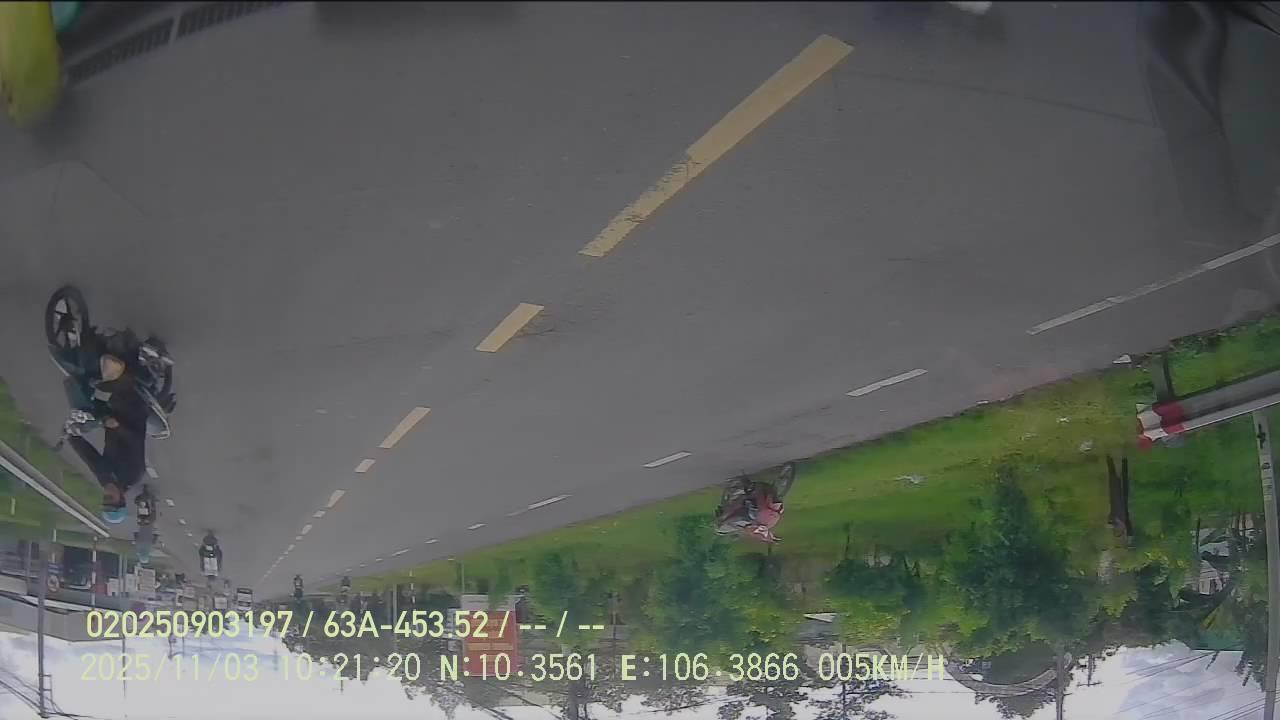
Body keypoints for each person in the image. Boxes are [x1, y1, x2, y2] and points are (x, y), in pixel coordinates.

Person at [65, 353, 149, 524]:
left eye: (105, 499)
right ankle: (139, 361)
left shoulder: (105, 479)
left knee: (79, 394)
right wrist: (118, 427)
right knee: (119, 385)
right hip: (132, 417)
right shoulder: (133, 475)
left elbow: (90, 457)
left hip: (108, 418)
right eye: (111, 499)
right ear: (121, 499)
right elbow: (136, 442)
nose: (107, 495)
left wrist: (72, 437)